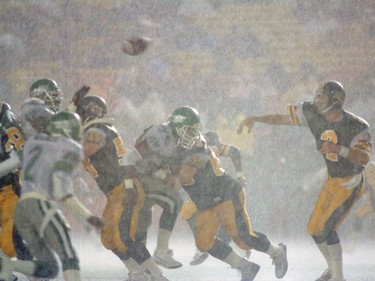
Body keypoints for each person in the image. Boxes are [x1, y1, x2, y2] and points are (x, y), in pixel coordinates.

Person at [237, 80, 372, 281]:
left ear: (335, 102)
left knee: (327, 229)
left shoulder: (356, 126)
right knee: (314, 229)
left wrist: (339, 150)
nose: (317, 100)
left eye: (322, 97)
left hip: (350, 181)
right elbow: (282, 119)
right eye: (318, 95)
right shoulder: (313, 114)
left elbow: (364, 158)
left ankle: (339, 276)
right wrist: (257, 118)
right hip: (332, 178)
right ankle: (331, 270)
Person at [160, 106, 288, 281]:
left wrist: (156, 170)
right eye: (190, 130)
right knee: (204, 242)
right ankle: (246, 267)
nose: (194, 135)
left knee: (243, 238)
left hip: (226, 194)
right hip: (205, 201)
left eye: (195, 130)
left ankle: (277, 252)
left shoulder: (198, 149)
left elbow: (179, 180)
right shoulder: (173, 143)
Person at [72, 95, 169, 281]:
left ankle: (158, 276)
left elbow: (88, 149)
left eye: (79, 114)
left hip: (124, 189)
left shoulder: (96, 129)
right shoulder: (101, 128)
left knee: (125, 238)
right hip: (116, 192)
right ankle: (137, 273)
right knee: (109, 236)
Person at [0, 111, 104, 281]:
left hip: (22, 208)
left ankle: (7, 265)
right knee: (68, 256)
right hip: (40, 204)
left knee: (49, 268)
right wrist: (87, 216)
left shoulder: (33, 142)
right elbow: (62, 191)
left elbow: (9, 164)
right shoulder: (69, 148)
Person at [181, 131, 250, 266]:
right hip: (213, 190)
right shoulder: (208, 147)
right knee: (229, 221)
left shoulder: (206, 148)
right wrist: (240, 175)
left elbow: (232, 151)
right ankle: (242, 245)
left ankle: (239, 246)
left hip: (210, 191)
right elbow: (234, 151)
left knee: (190, 212)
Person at [0, 102, 33, 266]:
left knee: (10, 241)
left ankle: (34, 272)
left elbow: (23, 150)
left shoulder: (6, 118)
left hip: (7, 188)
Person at [352, 161, 375, 238]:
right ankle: (354, 239)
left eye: (372, 171)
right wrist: (369, 202)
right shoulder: (367, 180)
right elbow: (370, 192)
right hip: (371, 202)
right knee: (358, 215)